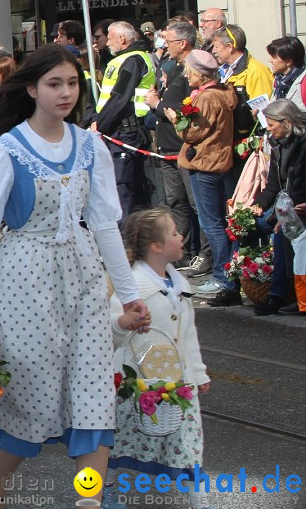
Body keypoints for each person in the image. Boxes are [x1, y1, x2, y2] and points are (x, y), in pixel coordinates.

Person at [0, 44, 146, 508]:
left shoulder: (92, 146)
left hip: (83, 276)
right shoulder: (6, 151)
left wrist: (129, 295)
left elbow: (106, 224)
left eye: (72, 83)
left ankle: (90, 499)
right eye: (54, 84)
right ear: (31, 89)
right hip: (24, 279)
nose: (65, 92)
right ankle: (0, 478)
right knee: (31, 393)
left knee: (93, 392)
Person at [106, 208, 211, 509]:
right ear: (156, 246)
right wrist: (122, 321)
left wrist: (199, 374)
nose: (181, 237)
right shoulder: (133, 287)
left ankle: (199, 500)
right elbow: (109, 334)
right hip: (135, 383)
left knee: (189, 444)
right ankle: (106, 491)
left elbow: (188, 335)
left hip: (178, 386)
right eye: (175, 232)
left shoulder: (181, 286)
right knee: (118, 441)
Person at [164, 51, 238, 306]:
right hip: (215, 162)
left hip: (206, 163)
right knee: (218, 221)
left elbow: (193, 134)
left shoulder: (207, 97)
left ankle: (223, 277)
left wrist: (176, 120)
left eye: (189, 71)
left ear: (200, 73)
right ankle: (227, 275)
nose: (186, 75)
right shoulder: (219, 92)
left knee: (211, 224)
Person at [144, 21, 211, 280]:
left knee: (197, 204)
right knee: (176, 202)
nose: (164, 46)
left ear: (183, 43)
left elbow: (183, 114)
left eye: (168, 41)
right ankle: (183, 251)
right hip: (166, 147)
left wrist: (157, 104)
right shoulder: (171, 67)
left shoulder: (193, 71)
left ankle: (207, 255)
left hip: (184, 148)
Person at [93, 21, 157, 218]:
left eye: (110, 39)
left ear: (122, 39)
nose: (108, 43)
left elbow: (120, 97)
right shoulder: (126, 59)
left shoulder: (132, 61)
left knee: (124, 188)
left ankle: (127, 240)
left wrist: (100, 124)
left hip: (127, 131)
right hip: (120, 131)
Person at [250, 99, 306, 316]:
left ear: (287, 123)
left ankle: (279, 295)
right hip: (287, 210)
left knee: (282, 235)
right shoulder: (277, 145)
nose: (269, 130)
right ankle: (234, 286)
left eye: (272, 125)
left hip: (299, 211)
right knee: (245, 227)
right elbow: (274, 184)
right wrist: (256, 205)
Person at [212, 24, 273, 101]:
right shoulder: (220, 71)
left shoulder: (257, 71)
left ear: (230, 47)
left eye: (216, 47)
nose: (213, 51)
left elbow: (261, 109)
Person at [266, 36, 306, 112]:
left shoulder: (303, 82)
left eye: (274, 57)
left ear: (288, 62)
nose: (270, 60)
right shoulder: (278, 80)